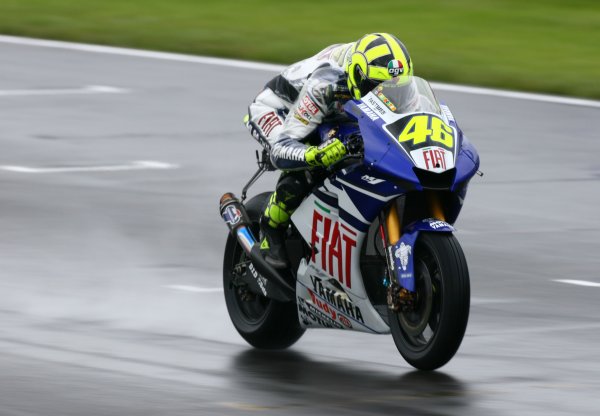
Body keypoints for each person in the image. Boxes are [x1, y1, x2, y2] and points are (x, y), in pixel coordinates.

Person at [244, 33, 413, 268]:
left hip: (331, 110)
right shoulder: (326, 83)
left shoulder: (387, 78)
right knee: (312, 165)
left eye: (395, 88)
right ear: (357, 77)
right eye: (376, 88)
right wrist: (317, 154)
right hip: (280, 110)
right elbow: (282, 149)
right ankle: (270, 230)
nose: (384, 94)